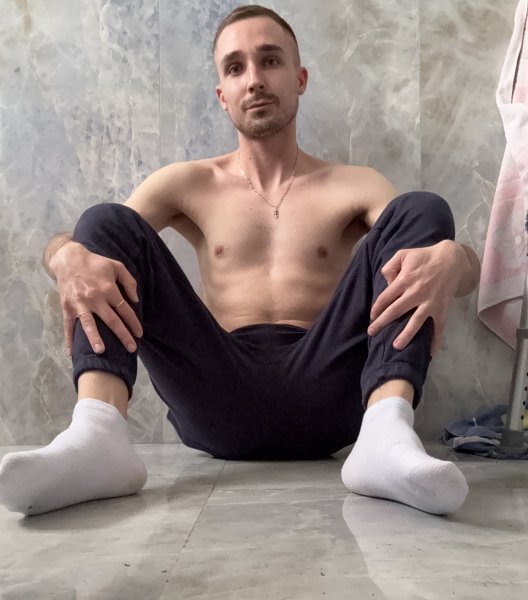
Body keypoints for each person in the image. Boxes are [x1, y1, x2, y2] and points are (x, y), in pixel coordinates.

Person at [0, 5, 479, 517]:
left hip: (330, 392)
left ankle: (387, 432)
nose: (254, 80)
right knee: (103, 222)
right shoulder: (189, 183)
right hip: (216, 395)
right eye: (235, 67)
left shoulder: (353, 184)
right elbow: (98, 242)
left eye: (270, 60)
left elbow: (439, 255)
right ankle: (96, 435)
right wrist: (63, 255)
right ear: (222, 94)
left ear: (299, 79)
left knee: (423, 209)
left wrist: (456, 258)